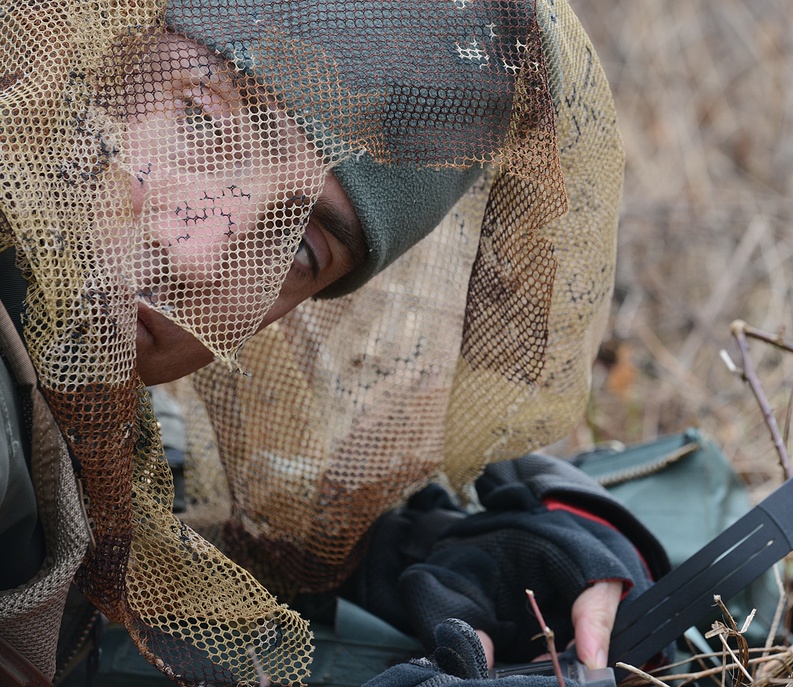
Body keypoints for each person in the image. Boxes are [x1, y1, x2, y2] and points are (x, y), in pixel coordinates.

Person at [0, 1, 666, 685]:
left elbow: (128, 522)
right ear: (91, 43)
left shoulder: (69, 381)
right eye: (203, 119)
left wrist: (412, 556)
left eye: (300, 246)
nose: (197, 249)